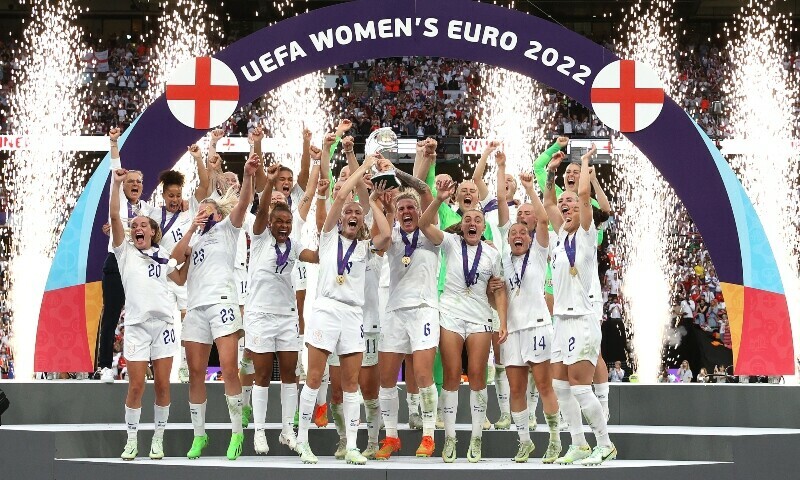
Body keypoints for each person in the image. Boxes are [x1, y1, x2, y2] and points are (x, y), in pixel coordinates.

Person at [294, 153, 392, 465]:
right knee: (314, 377)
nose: (351, 214)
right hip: (326, 309)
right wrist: (363, 167)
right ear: (339, 219)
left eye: (357, 213)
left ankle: (351, 445)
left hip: (353, 315)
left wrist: (372, 203)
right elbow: (339, 197)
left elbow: (386, 236)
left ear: (361, 221)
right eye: (347, 212)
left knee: (351, 384)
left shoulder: (364, 248)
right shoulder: (327, 238)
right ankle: (302, 440)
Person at [169, 153, 258, 461]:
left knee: (229, 368)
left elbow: (243, 203)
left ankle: (237, 433)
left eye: (207, 210)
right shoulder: (193, 241)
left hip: (222, 303)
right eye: (199, 210)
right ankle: (199, 435)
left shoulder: (228, 230)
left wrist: (248, 175)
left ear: (218, 215)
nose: (202, 213)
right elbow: (174, 263)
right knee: (196, 372)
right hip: (195, 307)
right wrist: (190, 229)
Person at [418, 177, 508, 464]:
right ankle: (450, 437)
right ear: (461, 225)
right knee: (452, 373)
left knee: (479, 375)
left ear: (483, 227)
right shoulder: (451, 243)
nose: (472, 223)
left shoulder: (492, 253)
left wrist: (502, 321)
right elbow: (424, 224)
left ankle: (477, 438)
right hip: (451, 313)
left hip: (480, 315)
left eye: (477, 220)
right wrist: (439, 198)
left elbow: (498, 291)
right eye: (467, 219)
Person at [543, 143, 616, 465]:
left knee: (579, 387)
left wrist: (585, 163)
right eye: (563, 204)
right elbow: (548, 201)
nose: (565, 206)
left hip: (582, 319)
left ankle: (605, 444)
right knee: (560, 386)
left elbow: (584, 196)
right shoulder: (560, 236)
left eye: (570, 203)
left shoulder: (587, 234)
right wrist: (550, 175)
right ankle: (579, 444)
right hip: (561, 320)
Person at [245, 162, 319, 454]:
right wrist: (269, 183)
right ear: (270, 223)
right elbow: (263, 209)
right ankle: (259, 432)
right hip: (260, 315)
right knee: (262, 375)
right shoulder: (260, 237)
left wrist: (333, 246)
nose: (284, 226)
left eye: (288, 222)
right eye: (279, 221)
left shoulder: (294, 243)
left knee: (290, 373)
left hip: (287, 317)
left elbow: (313, 256)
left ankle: (288, 431)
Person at [110, 167, 180, 461]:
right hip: (137, 326)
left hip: (163, 325)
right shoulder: (124, 252)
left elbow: (180, 280)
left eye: (143, 224)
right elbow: (115, 216)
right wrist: (116, 184)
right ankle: (131, 440)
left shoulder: (164, 255)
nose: (137, 227)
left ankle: (158, 440)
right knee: (136, 385)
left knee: (163, 385)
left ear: (152, 231)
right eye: (134, 225)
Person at [494, 153, 561, 463]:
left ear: (530, 236)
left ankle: (555, 440)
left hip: (537, 326)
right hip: (512, 332)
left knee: (545, 385)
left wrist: (530, 188)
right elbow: (499, 297)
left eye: (523, 232)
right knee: (516, 389)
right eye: (513, 233)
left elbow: (544, 220)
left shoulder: (538, 253)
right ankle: (524, 442)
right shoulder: (503, 261)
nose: (518, 235)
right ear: (508, 239)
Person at [374, 146, 439, 460]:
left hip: (424, 309)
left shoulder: (429, 231)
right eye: (401, 209)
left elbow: (424, 188)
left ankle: (428, 436)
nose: (407, 212)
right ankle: (391, 437)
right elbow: (380, 239)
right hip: (394, 311)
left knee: (423, 376)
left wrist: (394, 171)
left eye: (411, 207)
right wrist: (380, 203)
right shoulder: (393, 235)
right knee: (386, 378)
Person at [97, 128, 153, 383]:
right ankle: (103, 366)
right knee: (110, 315)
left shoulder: (148, 209)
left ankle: (139, 364)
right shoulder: (118, 199)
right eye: (130, 181)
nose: (135, 184)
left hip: (139, 265)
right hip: (117, 263)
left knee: (140, 315)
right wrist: (114, 142)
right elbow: (115, 170)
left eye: (138, 181)